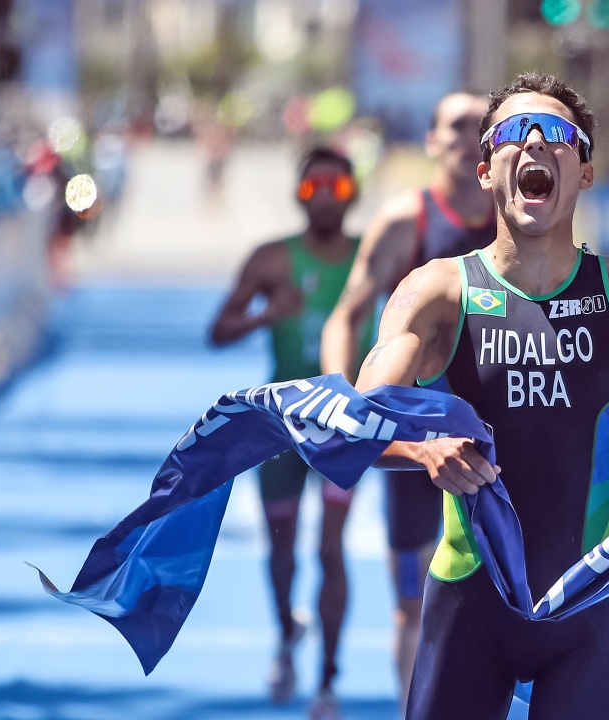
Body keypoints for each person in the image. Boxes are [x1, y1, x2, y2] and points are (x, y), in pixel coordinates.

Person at [351, 71, 609, 720]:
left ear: (584, 173)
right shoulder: (435, 293)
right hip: (468, 608)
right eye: (516, 132)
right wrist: (422, 450)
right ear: (486, 169)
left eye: (559, 136)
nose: (537, 145)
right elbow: (360, 423)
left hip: (586, 612)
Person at [319, 91, 495, 707]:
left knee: (510, 596)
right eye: (457, 125)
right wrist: (340, 401)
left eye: (483, 125)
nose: (471, 135)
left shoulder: (522, 224)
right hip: (412, 437)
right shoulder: (406, 221)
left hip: (496, 437)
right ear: (431, 141)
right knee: (410, 600)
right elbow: (345, 316)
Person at [209, 145, 368, 720]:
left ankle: (327, 681)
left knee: (331, 547)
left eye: (338, 187)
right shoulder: (272, 259)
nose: (325, 198)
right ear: (297, 195)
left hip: (344, 428)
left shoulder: (377, 258)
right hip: (278, 423)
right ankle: (285, 634)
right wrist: (263, 316)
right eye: (312, 188)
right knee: (281, 545)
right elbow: (219, 329)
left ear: (355, 194)